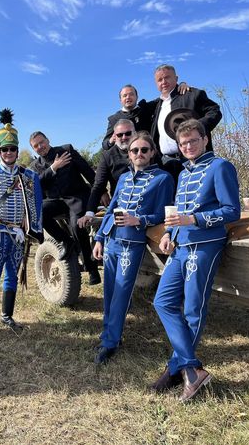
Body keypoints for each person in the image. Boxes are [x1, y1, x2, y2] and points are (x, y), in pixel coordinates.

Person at [150, 119, 240, 402]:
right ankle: (189, 368)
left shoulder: (220, 166)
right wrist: (169, 233)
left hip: (205, 245)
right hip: (180, 246)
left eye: (192, 140)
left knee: (192, 308)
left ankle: (177, 369)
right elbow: (179, 209)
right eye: (183, 143)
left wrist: (194, 219)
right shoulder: (184, 172)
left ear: (205, 139)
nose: (188, 146)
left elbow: (232, 211)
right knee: (162, 302)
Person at [91, 132, 174, 364]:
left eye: (144, 150)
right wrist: (99, 238)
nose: (139, 154)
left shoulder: (163, 178)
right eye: (135, 150)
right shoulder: (124, 178)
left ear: (152, 152)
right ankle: (107, 335)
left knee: (122, 293)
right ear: (129, 154)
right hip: (111, 240)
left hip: (133, 243)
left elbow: (163, 213)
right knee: (109, 290)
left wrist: (139, 219)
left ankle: (111, 342)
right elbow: (111, 209)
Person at [0, 109, 44, 340]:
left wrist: (32, 229)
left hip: (18, 235)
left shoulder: (28, 176)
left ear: (17, 150)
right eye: (4, 149)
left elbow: (36, 202)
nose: (9, 153)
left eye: (12, 149)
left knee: (12, 276)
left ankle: (7, 316)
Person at [29, 131, 101, 285]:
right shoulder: (34, 166)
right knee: (39, 212)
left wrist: (102, 192)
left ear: (48, 140)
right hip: (56, 201)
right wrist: (53, 168)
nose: (40, 146)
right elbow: (36, 184)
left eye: (42, 142)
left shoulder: (66, 150)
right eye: (36, 146)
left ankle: (92, 269)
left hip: (77, 198)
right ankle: (66, 241)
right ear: (33, 149)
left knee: (77, 226)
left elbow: (87, 171)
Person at [150, 64, 222, 181]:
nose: (163, 82)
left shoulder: (191, 94)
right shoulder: (155, 105)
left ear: (176, 78)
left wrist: (196, 128)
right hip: (165, 163)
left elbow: (215, 111)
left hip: (192, 159)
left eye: (167, 77)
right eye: (159, 80)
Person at [77, 119, 135, 229]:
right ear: (114, 136)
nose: (124, 137)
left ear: (135, 133)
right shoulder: (108, 156)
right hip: (121, 203)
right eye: (120, 135)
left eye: (128, 133)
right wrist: (89, 213)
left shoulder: (145, 149)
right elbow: (98, 185)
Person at [102, 83, 191, 150]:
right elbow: (104, 145)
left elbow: (165, 97)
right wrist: (111, 141)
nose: (128, 97)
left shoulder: (145, 108)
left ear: (137, 97)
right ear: (120, 100)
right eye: (124, 96)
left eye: (131, 94)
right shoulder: (114, 119)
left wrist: (180, 85)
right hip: (126, 159)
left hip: (149, 155)